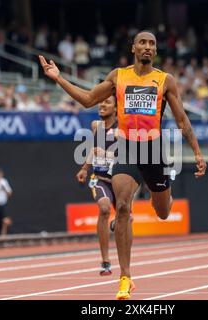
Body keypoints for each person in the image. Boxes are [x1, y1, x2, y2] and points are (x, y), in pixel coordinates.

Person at [39, 30, 207, 300]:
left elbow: (182, 120)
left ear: (155, 50)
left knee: (162, 212)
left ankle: (163, 194)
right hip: (127, 147)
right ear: (134, 48)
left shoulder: (165, 80)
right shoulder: (119, 76)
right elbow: (87, 99)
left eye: (152, 43)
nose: (148, 47)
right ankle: (125, 277)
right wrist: (58, 77)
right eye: (143, 43)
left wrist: (198, 153)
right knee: (123, 206)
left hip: (153, 149)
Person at [76, 94, 118, 276]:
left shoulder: (123, 129)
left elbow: (132, 157)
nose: (102, 104)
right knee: (104, 208)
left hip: (122, 180)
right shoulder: (96, 126)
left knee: (126, 219)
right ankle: (106, 260)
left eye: (107, 102)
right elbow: (93, 149)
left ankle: (120, 222)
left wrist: (107, 154)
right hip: (101, 178)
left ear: (116, 108)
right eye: (101, 102)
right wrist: (85, 168)